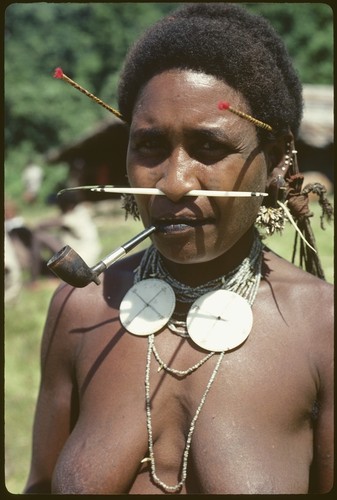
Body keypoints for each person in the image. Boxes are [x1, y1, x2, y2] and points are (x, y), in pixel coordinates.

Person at [23, 4, 333, 494]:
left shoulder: (322, 326)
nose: (173, 183)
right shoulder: (79, 309)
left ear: (274, 161)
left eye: (209, 148)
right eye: (149, 145)